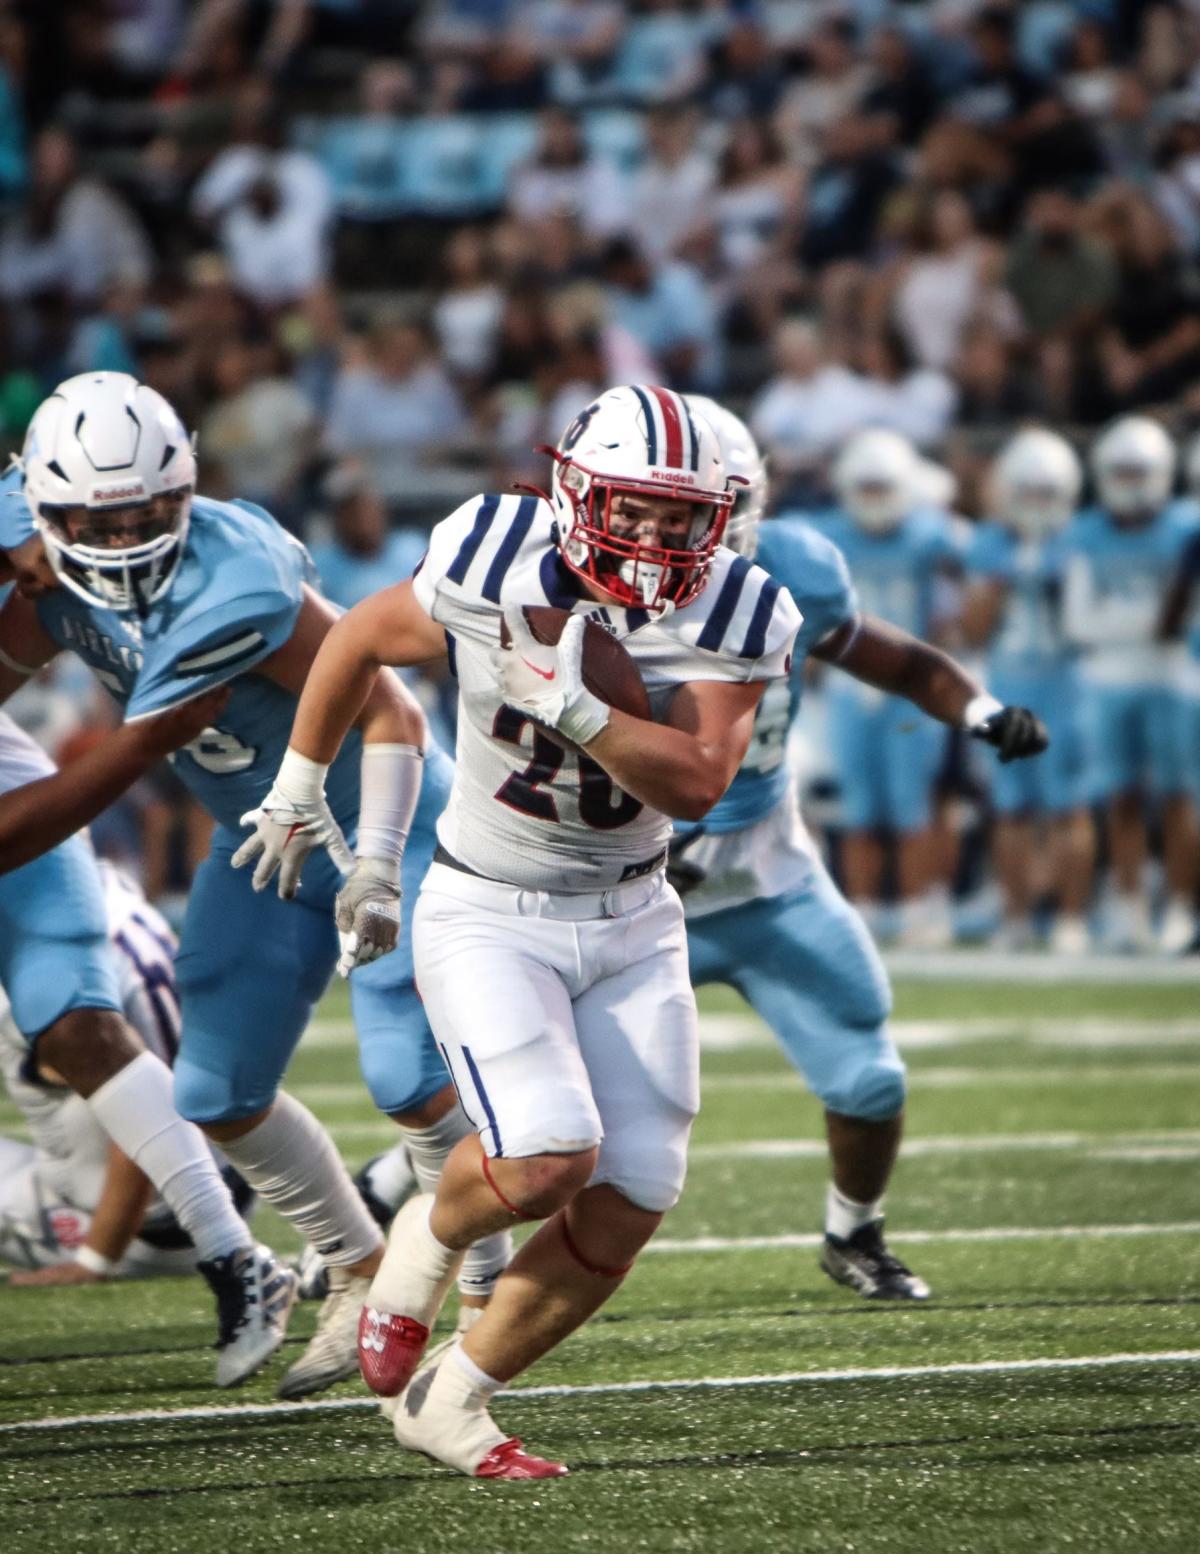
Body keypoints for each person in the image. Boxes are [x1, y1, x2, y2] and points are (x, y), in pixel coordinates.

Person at [240, 384, 802, 1477]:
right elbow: (360, 635)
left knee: (638, 1185)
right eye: (629, 508)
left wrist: (580, 710)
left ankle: (453, 1400)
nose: (651, 535)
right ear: (575, 491)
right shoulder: (492, 549)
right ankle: (422, 1246)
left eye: (678, 515)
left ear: (719, 516)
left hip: (637, 914)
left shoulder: (742, 610)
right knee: (546, 1160)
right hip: (491, 907)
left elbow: (695, 782)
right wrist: (302, 782)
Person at [0, 372, 508, 1399]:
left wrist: (375, 860)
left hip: (381, 827)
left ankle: (486, 1300)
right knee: (215, 1091)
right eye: (99, 516)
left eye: (150, 508)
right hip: (258, 840)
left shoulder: (240, 571)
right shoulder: (43, 576)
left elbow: (394, 714)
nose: (129, 532)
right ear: (47, 513)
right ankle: (361, 1273)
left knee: (408, 1077)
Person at [669, 398, 1046, 1298]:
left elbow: (904, 662)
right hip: (628, 896)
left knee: (870, 1077)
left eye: (702, 512)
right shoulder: (579, 601)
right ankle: (388, 1197)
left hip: (765, 883)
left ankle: (854, 1236)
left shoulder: (792, 570)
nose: (682, 536)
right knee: (550, 1111)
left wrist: (981, 713)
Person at [0, 704, 290, 1382]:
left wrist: (97, 1259)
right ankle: (256, 1254)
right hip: (204, 1177)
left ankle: (240, 1253)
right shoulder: (115, 898)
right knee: (87, 1036)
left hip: (139, 1214)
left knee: (84, 1038)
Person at [1, 860, 258, 1283]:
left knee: (113, 1083)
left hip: (148, 1225)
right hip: (224, 1182)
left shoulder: (46, 957)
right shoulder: (105, 884)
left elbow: (138, 1111)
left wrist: (96, 1259)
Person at [808, 428, 965, 946]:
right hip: (849, 686)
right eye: (865, 488)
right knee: (858, 807)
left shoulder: (929, 533)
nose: (874, 500)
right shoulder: (826, 535)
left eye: (883, 488)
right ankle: (864, 912)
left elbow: (973, 558)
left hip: (907, 689)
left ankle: (922, 908)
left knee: (914, 803)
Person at [1062, 417, 1200, 952]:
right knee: (1120, 797)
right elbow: (1079, 623)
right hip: (1109, 679)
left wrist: (1124, 619)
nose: (1128, 481)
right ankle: (1129, 903)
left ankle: (1182, 907)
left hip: (1173, 679)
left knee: (1177, 797)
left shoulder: (1186, 527)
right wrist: (1148, 622)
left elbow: (1183, 621)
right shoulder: (1087, 531)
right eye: (1119, 470)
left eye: (1137, 470)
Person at [961, 429, 1094, 952]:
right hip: (1010, 684)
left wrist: (1059, 576)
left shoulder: (1080, 539)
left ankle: (1071, 919)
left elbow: (1086, 628)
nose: (1037, 506)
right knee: (1011, 808)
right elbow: (973, 630)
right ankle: (1014, 916)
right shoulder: (992, 544)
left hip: (1068, 685)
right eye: (1028, 494)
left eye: (1047, 494)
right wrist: (1004, 577)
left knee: (1070, 806)